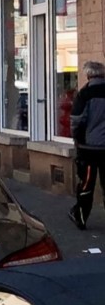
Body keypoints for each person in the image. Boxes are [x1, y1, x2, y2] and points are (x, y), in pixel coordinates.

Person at [69, 60, 105, 230]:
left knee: (86, 184)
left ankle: (81, 217)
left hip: (89, 148)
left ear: (89, 75)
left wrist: (76, 138)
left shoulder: (85, 94)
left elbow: (77, 120)